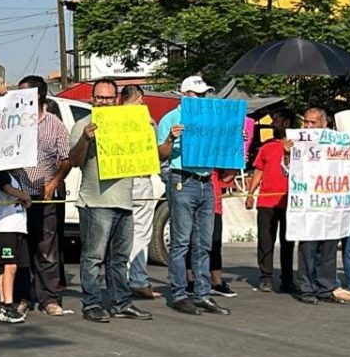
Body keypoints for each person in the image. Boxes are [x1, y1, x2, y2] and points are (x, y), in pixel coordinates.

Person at [69, 78, 152, 323]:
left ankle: (121, 302)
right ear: (92, 98)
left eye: (108, 97)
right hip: (95, 202)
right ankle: (91, 303)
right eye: (99, 97)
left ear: (116, 99)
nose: (103, 101)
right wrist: (85, 139)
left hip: (124, 201)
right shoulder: (83, 125)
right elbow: (74, 161)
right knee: (93, 257)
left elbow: (151, 158)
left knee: (119, 259)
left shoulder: (127, 124)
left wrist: (149, 130)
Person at [155, 75, 230, 316]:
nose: (202, 98)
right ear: (184, 94)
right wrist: (170, 138)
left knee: (203, 243)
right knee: (181, 242)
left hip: (206, 181)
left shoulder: (212, 119)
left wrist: (235, 142)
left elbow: (222, 149)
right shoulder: (171, 119)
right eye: (197, 94)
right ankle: (179, 294)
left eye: (204, 94)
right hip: (182, 179)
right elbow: (160, 155)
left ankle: (203, 294)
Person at [9, 75, 71, 317]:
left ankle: (49, 298)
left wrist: (54, 182)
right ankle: (22, 297)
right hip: (15, 196)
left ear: (39, 96)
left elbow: (66, 160)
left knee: (47, 249)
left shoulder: (55, 124)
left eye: (24, 94)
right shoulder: (12, 120)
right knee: (20, 250)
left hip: (44, 196)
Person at [292, 108, 344, 306]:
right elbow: (288, 170)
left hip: (330, 203)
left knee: (329, 249)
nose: (308, 126)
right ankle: (307, 289)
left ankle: (326, 288)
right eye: (306, 122)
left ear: (324, 124)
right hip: (307, 204)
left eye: (313, 123)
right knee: (308, 248)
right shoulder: (298, 142)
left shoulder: (336, 142)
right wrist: (288, 153)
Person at [245, 108, 296, 293]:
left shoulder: (299, 147)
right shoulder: (267, 147)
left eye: (280, 120)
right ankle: (265, 276)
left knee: (288, 241)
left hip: (291, 201)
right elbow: (258, 171)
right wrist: (250, 193)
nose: (277, 124)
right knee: (265, 240)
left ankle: (287, 278)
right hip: (267, 201)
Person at [120, 85, 160, 300]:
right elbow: (153, 151)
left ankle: (120, 279)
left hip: (116, 181)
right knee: (141, 233)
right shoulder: (147, 122)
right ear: (140, 99)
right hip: (141, 179)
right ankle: (137, 279)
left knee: (119, 233)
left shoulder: (110, 120)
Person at [0, 172, 29, 323]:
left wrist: (24, 198)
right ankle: (8, 305)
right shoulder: (3, 174)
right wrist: (25, 196)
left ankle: (4, 304)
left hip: (17, 228)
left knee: (8, 266)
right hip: (5, 228)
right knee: (9, 266)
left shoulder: (15, 177)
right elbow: (7, 188)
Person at [209, 169, 237, 298]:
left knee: (215, 243)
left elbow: (227, 178)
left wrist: (235, 164)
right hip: (192, 194)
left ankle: (216, 282)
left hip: (214, 200)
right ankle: (191, 281)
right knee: (191, 242)